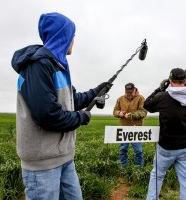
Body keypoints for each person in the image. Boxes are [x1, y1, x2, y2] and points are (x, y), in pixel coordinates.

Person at [11, 12, 109, 200]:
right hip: (42, 164)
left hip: (64, 157)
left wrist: (97, 91)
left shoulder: (58, 65)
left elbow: (72, 100)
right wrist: (81, 118)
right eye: (71, 35)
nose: (73, 39)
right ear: (62, 36)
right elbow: (48, 115)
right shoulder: (38, 66)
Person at [144, 68, 186, 200]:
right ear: (185, 81)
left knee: (157, 176)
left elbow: (147, 104)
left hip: (166, 147)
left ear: (170, 81)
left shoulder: (162, 97)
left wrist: (159, 89)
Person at [113, 83, 147, 167]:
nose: (128, 94)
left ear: (134, 90)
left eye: (130, 92)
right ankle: (123, 167)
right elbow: (115, 111)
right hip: (124, 129)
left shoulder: (141, 98)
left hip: (136, 130)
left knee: (138, 151)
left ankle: (139, 169)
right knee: (123, 149)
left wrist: (132, 115)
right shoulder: (120, 99)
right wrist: (119, 113)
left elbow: (143, 112)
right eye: (127, 92)